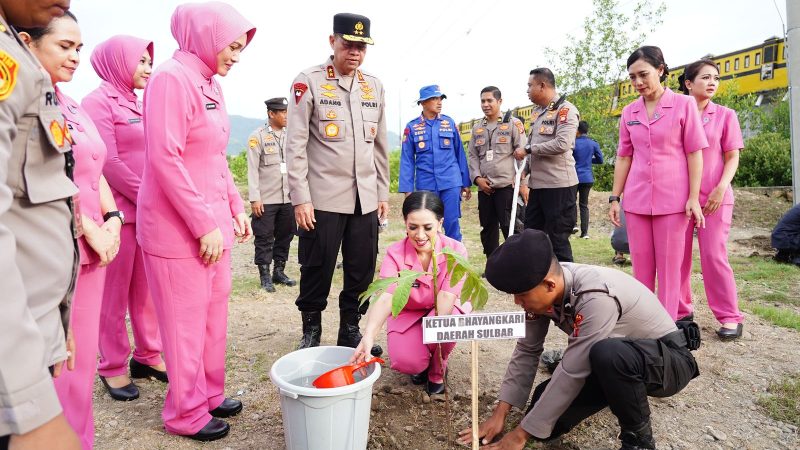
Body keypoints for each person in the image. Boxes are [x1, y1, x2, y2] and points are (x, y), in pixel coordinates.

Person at [459, 229, 699, 450]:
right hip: (617, 359)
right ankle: (615, 390)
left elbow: (573, 369)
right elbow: (527, 350)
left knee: (608, 354)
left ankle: (639, 439)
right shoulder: (545, 284)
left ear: (550, 285)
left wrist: (519, 435)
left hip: (668, 364)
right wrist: (499, 414)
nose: (517, 302)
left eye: (521, 295)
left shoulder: (596, 296)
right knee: (543, 419)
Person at [137, 2, 255, 441]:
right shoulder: (171, 78)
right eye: (231, 46)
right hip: (176, 230)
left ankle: (208, 393)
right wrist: (204, 222)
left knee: (212, 317)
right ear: (205, 35)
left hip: (211, 225)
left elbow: (214, 156)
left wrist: (235, 207)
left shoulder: (209, 82)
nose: (236, 57)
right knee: (184, 324)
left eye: (240, 49)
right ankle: (184, 411)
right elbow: (164, 158)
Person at [20, 11, 125, 449]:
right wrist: (88, 229)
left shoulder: (67, 102)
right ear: (27, 43)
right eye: (64, 47)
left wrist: (114, 218)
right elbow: (38, 181)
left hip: (91, 251)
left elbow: (93, 167)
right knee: (55, 366)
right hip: (51, 254)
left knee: (78, 367)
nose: (75, 57)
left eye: (79, 48)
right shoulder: (20, 103)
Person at [0, 1, 81, 448]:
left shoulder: (18, 55)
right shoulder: (8, 59)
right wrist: (30, 410)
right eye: (64, 45)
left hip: (31, 325)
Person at [286, 13, 389, 355]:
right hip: (323, 198)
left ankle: (350, 328)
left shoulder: (373, 86)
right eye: (349, 45)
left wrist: (382, 193)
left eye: (361, 47)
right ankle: (311, 328)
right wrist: (300, 198)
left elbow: (379, 146)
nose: (355, 53)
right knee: (317, 265)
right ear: (333, 42)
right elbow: (295, 144)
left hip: (365, 198)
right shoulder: (309, 81)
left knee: (361, 267)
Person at [82, 35, 167, 402]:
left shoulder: (139, 101)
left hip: (146, 212)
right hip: (115, 215)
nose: (148, 68)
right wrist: (150, 197)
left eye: (150, 61)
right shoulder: (97, 102)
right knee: (112, 296)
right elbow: (110, 163)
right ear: (117, 62)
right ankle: (112, 365)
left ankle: (147, 355)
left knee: (145, 292)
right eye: (141, 61)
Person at [608, 46, 708, 321]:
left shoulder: (685, 105)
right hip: (638, 200)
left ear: (661, 70)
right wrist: (615, 198)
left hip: (673, 201)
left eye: (643, 75)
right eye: (632, 77)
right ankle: (642, 324)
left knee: (669, 269)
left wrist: (693, 197)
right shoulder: (629, 112)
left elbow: (694, 152)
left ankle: (666, 328)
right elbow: (624, 156)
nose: (637, 83)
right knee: (641, 269)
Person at [350, 191, 470, 394]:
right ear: (405, 222)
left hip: (442, 310)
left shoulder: (455, 250)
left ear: (440, 223)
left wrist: (435, 338)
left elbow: (446, 297)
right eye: (413, 227)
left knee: (450, 325)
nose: (420, 235)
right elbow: (387, 296)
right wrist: (369, 335)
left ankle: (437, 370)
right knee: (407, 362)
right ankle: (420, 362)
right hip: (408, 314)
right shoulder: (395, 253)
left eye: (428, 227)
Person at [678, 59, 745, 340]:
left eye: (715, 78)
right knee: (677, 257)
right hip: (680, 196)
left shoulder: (725, 115)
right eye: (705, 77)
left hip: (715, 197)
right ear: (688, 83)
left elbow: (732, 156)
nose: (712, 82)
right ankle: (681, 312)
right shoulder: (677, 112)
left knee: (714, 256)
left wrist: (720, 188)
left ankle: (730, 316)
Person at [513, 68, 579, 262]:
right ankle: (537, 279)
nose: (527, 90)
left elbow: (562, 144)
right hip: (539, 186)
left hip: (559, 186)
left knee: (558, 239)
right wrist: (524, 170)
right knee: (532, 235)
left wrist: (528, 150)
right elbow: (534, 147)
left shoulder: (565, 110)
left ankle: (568, 286)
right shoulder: (537, 112)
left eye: (529, 85)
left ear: (542, 85)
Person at [399, 85, 471, 241]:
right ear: (423, 103)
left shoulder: (449, 123)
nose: (439, 102)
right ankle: (431, 262)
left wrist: (465, 182)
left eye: (440, 99)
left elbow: (460, 153)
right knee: (427, 224)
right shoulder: (412, 127)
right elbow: (407, 160)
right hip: (426, 184)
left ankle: (453, 262)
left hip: (450, 182)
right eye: (434, 99)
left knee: (451, 222)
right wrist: (407, 190)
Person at [467, 86, 529, 258]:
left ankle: (516, 264)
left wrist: (523, 184)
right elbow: (472, 156)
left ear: (499, 101)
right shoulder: (477, 128)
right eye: (482, 101)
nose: (485, 104)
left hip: (507, 186)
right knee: (487, 229)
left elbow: (523, 155)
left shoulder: (513, 124)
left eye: (489, 100)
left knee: (511, 228)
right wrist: (477, 179)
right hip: (484, 187)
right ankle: (492, 265)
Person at [247, 97, 296, 293]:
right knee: (264, 237)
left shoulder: (292, 135)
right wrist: (255, 198)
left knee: (286, 236)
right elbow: (252, 170)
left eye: (287, 112)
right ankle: (265, 275)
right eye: (283, 112)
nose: (286, 116)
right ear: (271, 114)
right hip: (266, 199)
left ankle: (279, 271)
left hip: (288, 198)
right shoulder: (257, 136)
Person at [572, 120, 603, 239]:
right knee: (584, 205)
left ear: (577, 131)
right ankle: (585, 233)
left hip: (574, 177)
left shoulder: (573, 143)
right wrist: (589, 161)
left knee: (572, 202)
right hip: (587, 178)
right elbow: (600, 160)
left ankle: (573, 225)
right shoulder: (593, 143)